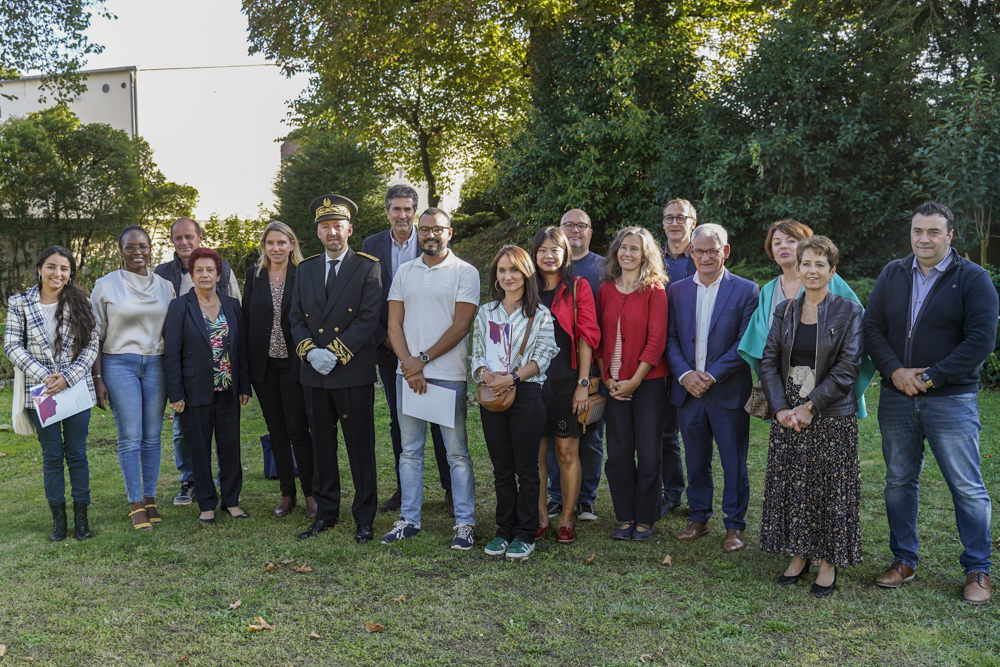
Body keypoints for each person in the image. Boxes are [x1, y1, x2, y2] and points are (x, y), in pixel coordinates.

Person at [863, 202, 999, 606]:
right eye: (917, 230)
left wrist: (929, 376)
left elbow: (980, 341)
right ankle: (903, 560)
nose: (924, 238)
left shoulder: (973, 278)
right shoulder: (893, 273)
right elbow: (872, 327)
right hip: (896, 398)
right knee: (899, 482)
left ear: (950, 235)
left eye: (933, 232)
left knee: (967, 488)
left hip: (951, 400)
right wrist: (894, 371)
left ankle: (978, 569)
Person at [758, 236, 864, 598]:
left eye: (820, 264)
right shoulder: (784, 310)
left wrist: (810, 407)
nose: (812, 270)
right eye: (807, 263)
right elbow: (769, 361)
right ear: (798, 268)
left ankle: (828, 562)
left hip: (829, 413)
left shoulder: (849, 311)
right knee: (795, 487)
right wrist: (782, 408)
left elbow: (848, 369)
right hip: (788, 413)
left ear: (832, 271)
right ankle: (799, 555)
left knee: (829, 489)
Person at [381, 207, 480, 550]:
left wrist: (421, 360)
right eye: (424, 230)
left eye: (437, 229)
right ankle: (409, 519)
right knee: (409, 452)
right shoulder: (405, 271)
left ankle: (465, 523)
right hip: (407, 376)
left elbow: (461, 325)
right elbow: (393, 324)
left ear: (449, 232)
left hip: (447, 376)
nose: (430, 235)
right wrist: (409, 365)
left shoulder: (465, 272)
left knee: (457, 455)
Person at [290, 195, 382, 543]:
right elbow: (296, 317)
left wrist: (336, 352)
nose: (332, 232)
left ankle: (364, 517)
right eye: (325, 226)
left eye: (338, 226)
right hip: (315, 372)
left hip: (351, 371)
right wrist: (311, 352)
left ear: (349, 229)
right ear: (317, 232)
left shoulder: (368, 266)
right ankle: (326, 514)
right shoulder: (307, 268)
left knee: (360, 446)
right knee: (322, 446)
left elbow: (368, 318)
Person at [360, 184, 454, 517]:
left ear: (415, 211)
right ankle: (405, 489)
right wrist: (393, 346)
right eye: (396, 209)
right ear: (387, 211)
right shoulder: (371, 246)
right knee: (401, 422)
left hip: (435, 348)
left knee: (440, 420)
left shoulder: (432, 241)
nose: (402, 215)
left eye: (408, 209)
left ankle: (450, 490)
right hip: (391, 350)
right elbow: (367, 301)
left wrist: (424, 352)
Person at [666, 223, 759, 552]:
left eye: (712, 250)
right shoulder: (676, 291)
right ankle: (699, 517)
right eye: (699, 250)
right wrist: (685, 375)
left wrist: (710, 375)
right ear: (691, 252)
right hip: (687, 392)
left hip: (728, 391)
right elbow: (670, 339)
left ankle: (735, 525)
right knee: (696, 458)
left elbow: (744, 342)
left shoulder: (747, 290)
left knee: (734, 460)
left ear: (726, 251)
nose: (705, 257)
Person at [4, 247, 99, 541]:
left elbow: (92, 344)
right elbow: (12, 345)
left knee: (77, 453)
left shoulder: (80, 301)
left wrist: (68, 378)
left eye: (64, 268)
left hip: (75, 391)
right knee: (52, 455)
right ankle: (59, 520)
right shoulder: (19, 302)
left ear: (70, 273)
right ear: (40, 269)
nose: (58, 273)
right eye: (51, 267)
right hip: (41, 392)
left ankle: (81, 518)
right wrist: (46, 377)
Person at [738, 218, 876, 418]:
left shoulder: (829, 280)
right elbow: (759, 337)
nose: (783, 246)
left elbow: (856, 334)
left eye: (791, 240)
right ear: (771, 252)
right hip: (786, 390)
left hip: (830, 391)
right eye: (777, 243)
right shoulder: (768, 290)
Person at [472, 245, 559, 559]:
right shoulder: (486, 312)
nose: (508, 276)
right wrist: (486, 375)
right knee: (501, 469)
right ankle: (503, 529)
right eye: (501, 270)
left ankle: (525, 532)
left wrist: (514, 378)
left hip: (525, 394)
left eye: (514, 270)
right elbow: (477, 355)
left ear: (526, 273)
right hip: (493, 394)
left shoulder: (541, 315)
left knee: (527, 468)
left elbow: (544, 357)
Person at [91, 226, 175, 530]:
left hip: (156, 364)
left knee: (153, 436)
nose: (137, 252)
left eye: (143, 246)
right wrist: (97, 377)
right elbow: (94, 335)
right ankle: (135, 503)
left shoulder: (166, 287)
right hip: (118, 364)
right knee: (130, 436)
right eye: (130, 247)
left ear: (151, 248)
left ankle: (150, 498)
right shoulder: (105, 285)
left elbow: (173, 332)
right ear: (121, 251)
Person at [155, 217, 242, 508]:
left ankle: (231, 498)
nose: (184, 242)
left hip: (226, 386)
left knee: (230, 445)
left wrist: (244, 384)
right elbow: (172, 349)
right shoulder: (166, 279)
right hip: (194, 384)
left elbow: (239, 343)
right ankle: (197, 490)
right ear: (192, 274)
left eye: (189, 236)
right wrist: (176, 392)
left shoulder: (230, 300)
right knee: (193, 441)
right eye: (178, 238)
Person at [594, 226, 670, 542]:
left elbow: (656, 340)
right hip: (613, 384)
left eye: (635, 249)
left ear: (645, 255)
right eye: (623, 247)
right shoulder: (605, 290)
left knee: (649, 452)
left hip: (648, 383)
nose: (627, 253)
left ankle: (646, 518)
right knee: (620, 453)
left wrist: (634, 381)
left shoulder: (655, 290)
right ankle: (625, 516)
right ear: (616, 252)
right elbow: (597, 339)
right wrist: (609, 380)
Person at [531, 227, 600, 544]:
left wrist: (583, 384)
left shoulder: (578, 287)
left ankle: (568, 519)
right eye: (542, 249)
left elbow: (587, 337)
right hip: (530, 381)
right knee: (536, 454)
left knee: (567, 451)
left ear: (565, 254)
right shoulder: (525, 286)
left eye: (554, 249)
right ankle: (542, 515)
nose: (548, 255)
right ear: (534, 254)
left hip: (566, 381)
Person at [242, 221, 315, 519]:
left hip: (295, 363)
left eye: (281, 243)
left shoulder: (304, 274)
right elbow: (247, 320)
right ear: (264, 247)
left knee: (298, 428)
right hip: (264, 366)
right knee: (277, 431)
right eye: (270, 243)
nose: (276, 248)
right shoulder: (254, 276)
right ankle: (288, 494)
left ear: (292, 244)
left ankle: (311, 492)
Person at [544, 208, 604, 523]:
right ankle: (557, 497)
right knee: (555, 437)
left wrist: (591, 374)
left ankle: (586, 500)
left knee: (590, 435)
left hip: (590, 366)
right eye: (569, 225)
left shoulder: (602, 268)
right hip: (546, 374)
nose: (576, 230)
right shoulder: (538, 276)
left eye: (582, 225)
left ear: (590, 232)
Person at [659, 198, 698, 517]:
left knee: (696, 431)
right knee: (665, 431)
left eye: (681, 218)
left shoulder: (702, 258)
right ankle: (671, 491)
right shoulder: (652, 259)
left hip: (695, 359)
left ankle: (701, 498)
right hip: (659, 358)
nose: (675, 223)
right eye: (669, 218)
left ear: (692, 223)